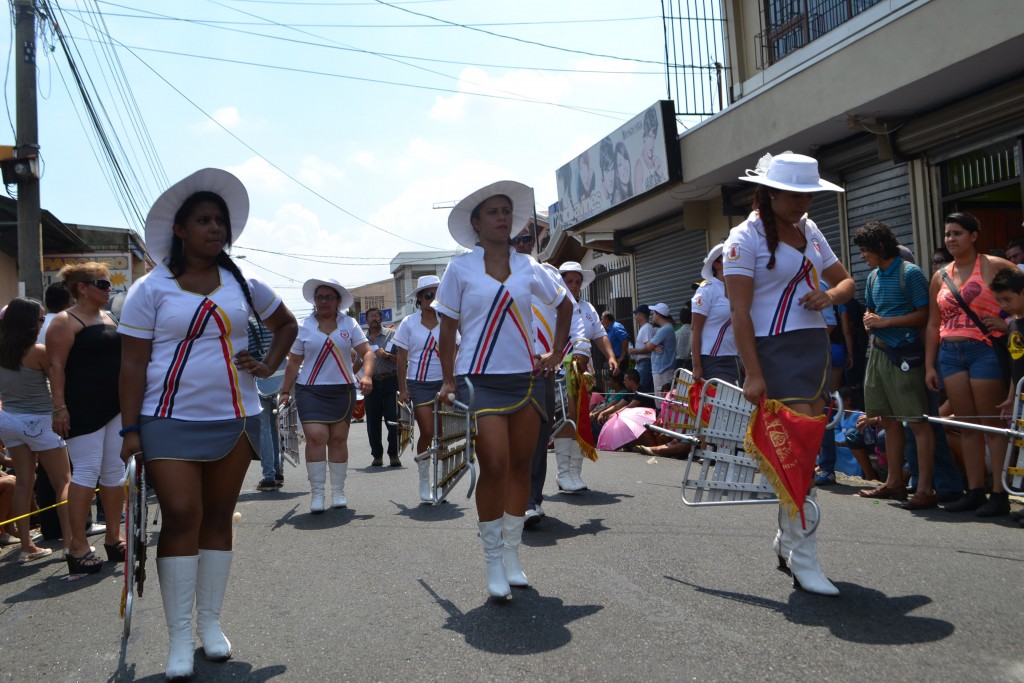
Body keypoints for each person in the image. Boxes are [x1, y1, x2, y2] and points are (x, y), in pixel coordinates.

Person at [119, 169, 298, 680]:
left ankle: (210, 625)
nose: (215, 229)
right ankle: (178, 636)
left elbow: (287, 325)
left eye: (220, 221)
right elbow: (132, 364)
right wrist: (129, 430)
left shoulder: (245, 283)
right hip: (167, 420)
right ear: (180, 229)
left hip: (236, 419)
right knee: (180, 514)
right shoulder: (150, 288)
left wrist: (268, 366)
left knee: (218, 518)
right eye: (203, 220)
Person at [434, 180, 571, 600]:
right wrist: (447, 378)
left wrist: (555, 352)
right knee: (493, 464)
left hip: (526, 379)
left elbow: (564, 304)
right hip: (480, 381)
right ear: (476, 223)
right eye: (493, 212)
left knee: (520, 467)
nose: (502, 218)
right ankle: (492, 558)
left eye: (506, 212)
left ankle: (513, 555)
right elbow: (447, 328)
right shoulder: (460, 269)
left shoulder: (530, 267)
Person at [725, 152, 854, 596]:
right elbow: (739, 313)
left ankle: (788, 537)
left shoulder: (811, 230)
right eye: (795, 194)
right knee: (795, 452)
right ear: (770, 192)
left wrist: (828, 296)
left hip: (814, 348)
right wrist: (753, 373)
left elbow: (846, 282)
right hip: (772, 349)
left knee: (806, 448)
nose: (804, 202)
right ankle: (805, 558)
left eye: (810, 194)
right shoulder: (743, 238)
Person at [924, 212, 1016, 517]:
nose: (951, 239)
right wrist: (929, 365)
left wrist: (1009, 325)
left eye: (958, 233)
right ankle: (975, 490)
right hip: (949, 352)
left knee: (993, 425)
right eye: (948, 234)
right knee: (967, 426)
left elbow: (1019, 295)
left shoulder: (993, 265)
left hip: (984, 349)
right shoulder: (941, 275)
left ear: (974, 236)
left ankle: (999, 493)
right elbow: (932, 324)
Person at [846, 222, 936, 507]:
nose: (863, 256)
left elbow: (925, 314)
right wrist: (870, 318)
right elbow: (871, 309)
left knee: (918, 423)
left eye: (865, 250)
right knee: (888, 420)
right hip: (879, 354)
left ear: (880, 248)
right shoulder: (872, 277)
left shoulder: (910, 273)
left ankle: (924, 488)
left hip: (905, 355)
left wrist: (885, 322)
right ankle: (894, 481)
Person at [46, 262, 127, 568]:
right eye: (103, 284)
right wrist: (59, 407)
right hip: (82, 408)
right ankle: (77, 546)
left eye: (110, 285)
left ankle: (113, 538)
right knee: (85, 472)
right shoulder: (64, 321)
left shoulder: (108, 317)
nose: (109, 290)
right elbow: (55, 367)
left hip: (114, 406)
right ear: (82, 287)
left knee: (113, 474)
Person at [508, 228, 585, 525]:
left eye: (527, 239)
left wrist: (568, 350)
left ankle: (531, 501)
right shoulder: (492, 274)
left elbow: (573, 313)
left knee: (538, 437)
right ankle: (506, 495)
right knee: (505, 437)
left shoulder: (548, 274)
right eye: (516, 240)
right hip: (504, 368)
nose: (521, 245)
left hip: (541, 369)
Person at [282, 278, 373, 513]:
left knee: (338, 439)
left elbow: (367, 353)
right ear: (314, 301)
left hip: (342, 389)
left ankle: (338, 491)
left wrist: (367, 376)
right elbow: (294, 362)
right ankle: (318, 493)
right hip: (310, 389)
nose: (323, 301)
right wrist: (284, 391)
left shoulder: (349, 324)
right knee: (315, 436)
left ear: (337, 301)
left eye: (328, 297)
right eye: (320, 297)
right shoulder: (303, 326)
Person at [0, 298, 75, 565]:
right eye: (40, 319)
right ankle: (71, 543)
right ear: (30, 323)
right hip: (40, 420)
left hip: (8, 419)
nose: (42, 323)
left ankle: (26, 545)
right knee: (63, 482)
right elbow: (59, 382)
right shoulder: (38, 351)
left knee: (23, 482)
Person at [556, 261, 619, 492]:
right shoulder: (552, 304)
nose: (573, 285)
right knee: (567, 420)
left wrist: (611, 356)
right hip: (559, 372)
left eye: (577, 281)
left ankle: (575, 473)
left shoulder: (588, 308)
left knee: (580, 420)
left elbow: (600, 335)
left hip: (583, 374)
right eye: (568, 280)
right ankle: (563, 472)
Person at [394, 275, 453, 504]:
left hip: (443, 382)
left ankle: (440, 482)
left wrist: (453, 380)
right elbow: (401, 359)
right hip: (418, 384)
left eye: (436, 294)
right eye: (428, 294)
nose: (432, 298)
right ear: (419, 298)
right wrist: (403, 389)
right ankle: (423, 479)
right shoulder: (408, 322)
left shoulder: (448, 320)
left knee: (442, 433)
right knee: (428, 431)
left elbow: (455, 353)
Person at [989, 267, 1024, 527]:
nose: (1003, 306)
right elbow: (1016, 368)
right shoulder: (1013, 324)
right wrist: (1012, 397)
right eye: (999, 301)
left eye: (1007, 300)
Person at [691, 245, 741, 385]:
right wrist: (696, 366)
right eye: (730, 257)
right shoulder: (707, 290)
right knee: (723, 404)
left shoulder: (739, 289)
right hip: (712, 360)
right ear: (717, 264)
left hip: (735, 358)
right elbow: (695, 329)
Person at [249, 318, 284, 492]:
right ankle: (278, 472)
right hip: (278, 375)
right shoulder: (274, 322)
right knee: (274, 426)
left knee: (263, 427)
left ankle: (269, 476)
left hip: (258, 377)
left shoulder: (246, 323)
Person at [362, 307, 400, 467]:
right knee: (372, 420)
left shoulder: (392, 335)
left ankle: (393, 454)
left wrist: (387, 355)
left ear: (381, 318)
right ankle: (377, 455)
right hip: (372, 383)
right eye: (371, 316)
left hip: (391, 381)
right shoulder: (362, 340)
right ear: (366, 319)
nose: (374, 319)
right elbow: (358, 361)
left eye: (377, 316)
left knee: (393, 419)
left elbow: (401, 360)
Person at [642, 303, 677, 390]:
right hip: (662, 370)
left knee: (662, 401)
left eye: (653, 314)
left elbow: (649, 346)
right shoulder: (666, 328)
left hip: (663, 371)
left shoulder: (665, 329)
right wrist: (654, 346)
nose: (652, 316)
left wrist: (652, 346)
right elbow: (652, 346)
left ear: (659, 315)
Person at [633, 106, 666, 193]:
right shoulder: (639, 166)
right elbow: (638, 200)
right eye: (649, 136)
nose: (652, 143)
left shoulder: (657, 161)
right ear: (644, 137)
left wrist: (661, 175)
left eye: (654, 137)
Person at [627, 305, 655, 392]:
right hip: (642, 363)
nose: (635, 317)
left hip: (645, 363)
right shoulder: (644, 328)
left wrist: (634, 351)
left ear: (642, 315)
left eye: (636, 314)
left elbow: (649, 347)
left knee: (642, 391)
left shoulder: (647, 327)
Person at [600, 311, 629, 379]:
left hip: (620, 360)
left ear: (606, 319)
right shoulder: (609, 329)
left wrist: (621, 357)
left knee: (620, 380)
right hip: (613, 359)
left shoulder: (616, 327)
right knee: (613, 379)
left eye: (602, 319)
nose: (601, 321)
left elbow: (625, 340)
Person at [674, 304, 692, 371]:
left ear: (681, 320)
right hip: (692, 363)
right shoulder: (695, 332)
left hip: (679, 364)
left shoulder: (676, 333)